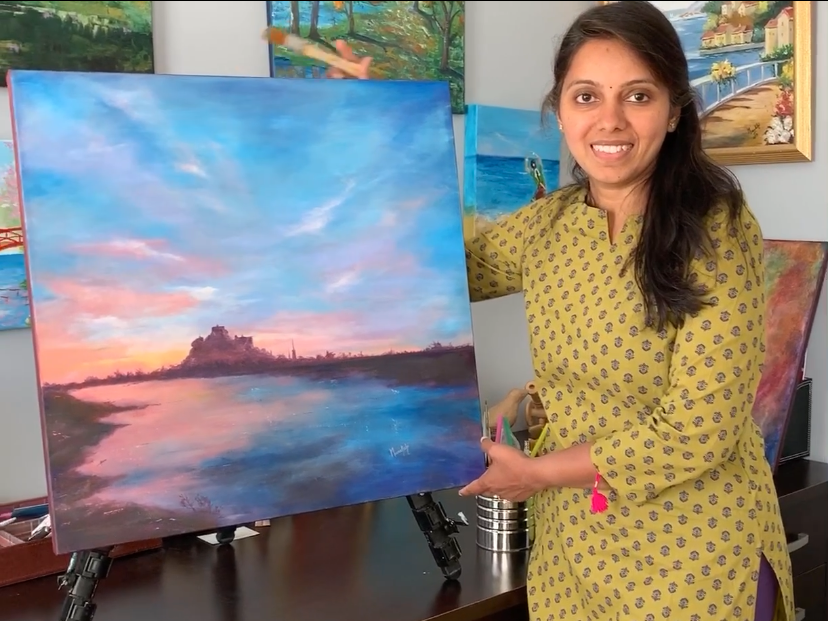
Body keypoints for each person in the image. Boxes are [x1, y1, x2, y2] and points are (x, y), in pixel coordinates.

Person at [328, 3, 793, 620]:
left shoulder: (716, 229)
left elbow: (697, 431)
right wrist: (374, 130)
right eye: (586, 96)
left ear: (675, 110)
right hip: (574, 556)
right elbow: (432, 272)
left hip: (695, 557)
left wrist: (537, 473)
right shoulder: (548, 224)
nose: (610, 120)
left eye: (637, 96)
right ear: (560, 110)